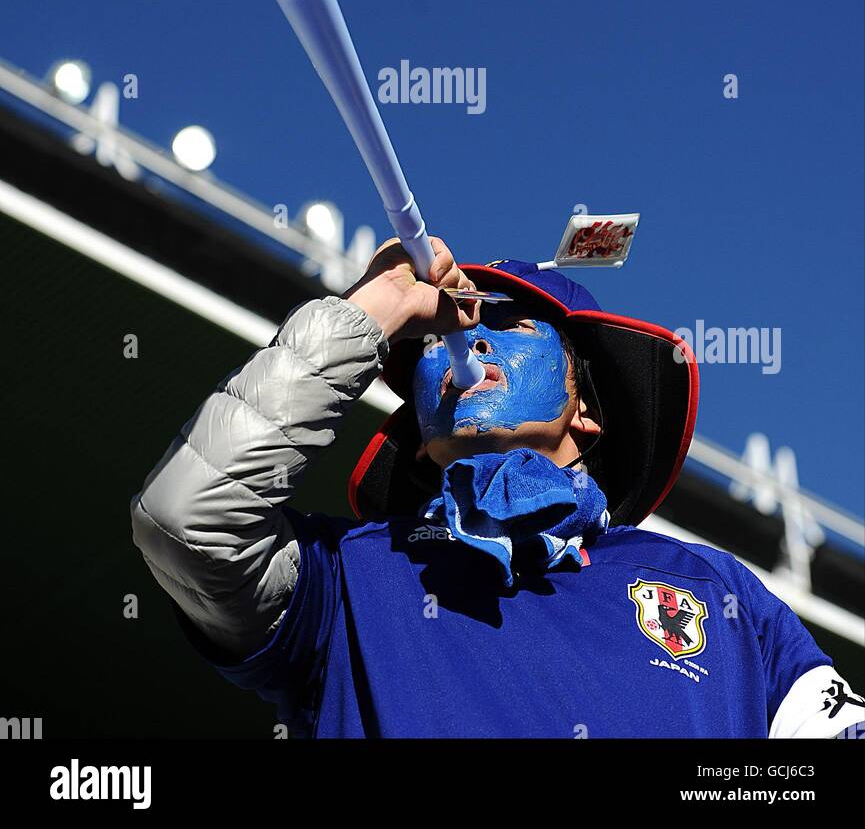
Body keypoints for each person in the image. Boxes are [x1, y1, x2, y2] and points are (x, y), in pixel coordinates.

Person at [131, 238, 863, 739]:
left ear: (585, 413)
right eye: (440, 335)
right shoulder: (340, 578)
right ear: (418, 429)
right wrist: (368, 315)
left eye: (513, 326)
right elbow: (185, 518)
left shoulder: (715, 590)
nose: (471, 338)